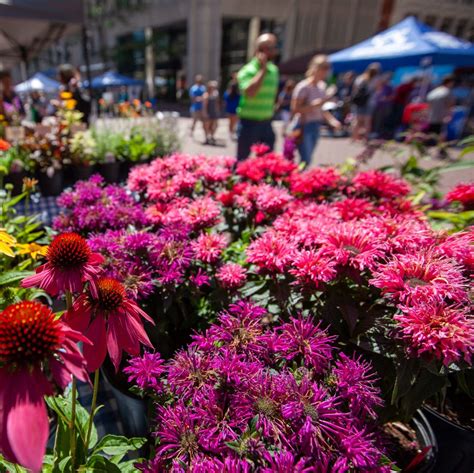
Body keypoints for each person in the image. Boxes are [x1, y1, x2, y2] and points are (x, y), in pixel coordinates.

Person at [290, 55, 341, 166]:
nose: (325, 71)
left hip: (316, 125)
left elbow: (322, 109)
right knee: (305, 159)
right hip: (304, 125)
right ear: (314, 68)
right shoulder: (303, 87)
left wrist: (332, 121)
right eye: (323, 68)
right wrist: (318, 103)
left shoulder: (322, 86)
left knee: (308, 159)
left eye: (327, 68)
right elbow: (295, 110)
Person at [236, 33, 279, 160]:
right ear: (261, 50)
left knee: (268, 162)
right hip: (249, 122)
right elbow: (249, 93)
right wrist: (262, 70)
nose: (274, 51)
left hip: (266, 122)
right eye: (271, 48)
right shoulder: (247, 70)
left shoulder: (274, 70)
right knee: (242, 160)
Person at [351, 63, 380, 141]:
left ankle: (354, 137)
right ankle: (366, 138)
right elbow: (378, 90)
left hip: (359, 101)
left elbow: (354, 90)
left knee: (357, 120)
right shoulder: (376, 79)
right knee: (368, 120)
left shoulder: (360, 78)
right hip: (370, 102)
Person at [372, 73, 394, 138]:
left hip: (385, 106)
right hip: (377, 106)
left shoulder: (388, 87)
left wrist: (386, 98)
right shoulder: (377, 87)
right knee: (377, 120)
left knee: (383, 120)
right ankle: (376, 132)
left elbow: (392, 96)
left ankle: (382, 133)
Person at [203, 80, 220, 145]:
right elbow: (204, 105)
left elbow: (217, 103)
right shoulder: (206, 95)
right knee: (207, 125)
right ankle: (207, 137)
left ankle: (212, 136)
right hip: (208, 111)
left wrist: (217, 110)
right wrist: (205, 113)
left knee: (215, 125)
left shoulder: (216, 94)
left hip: (214, 111)